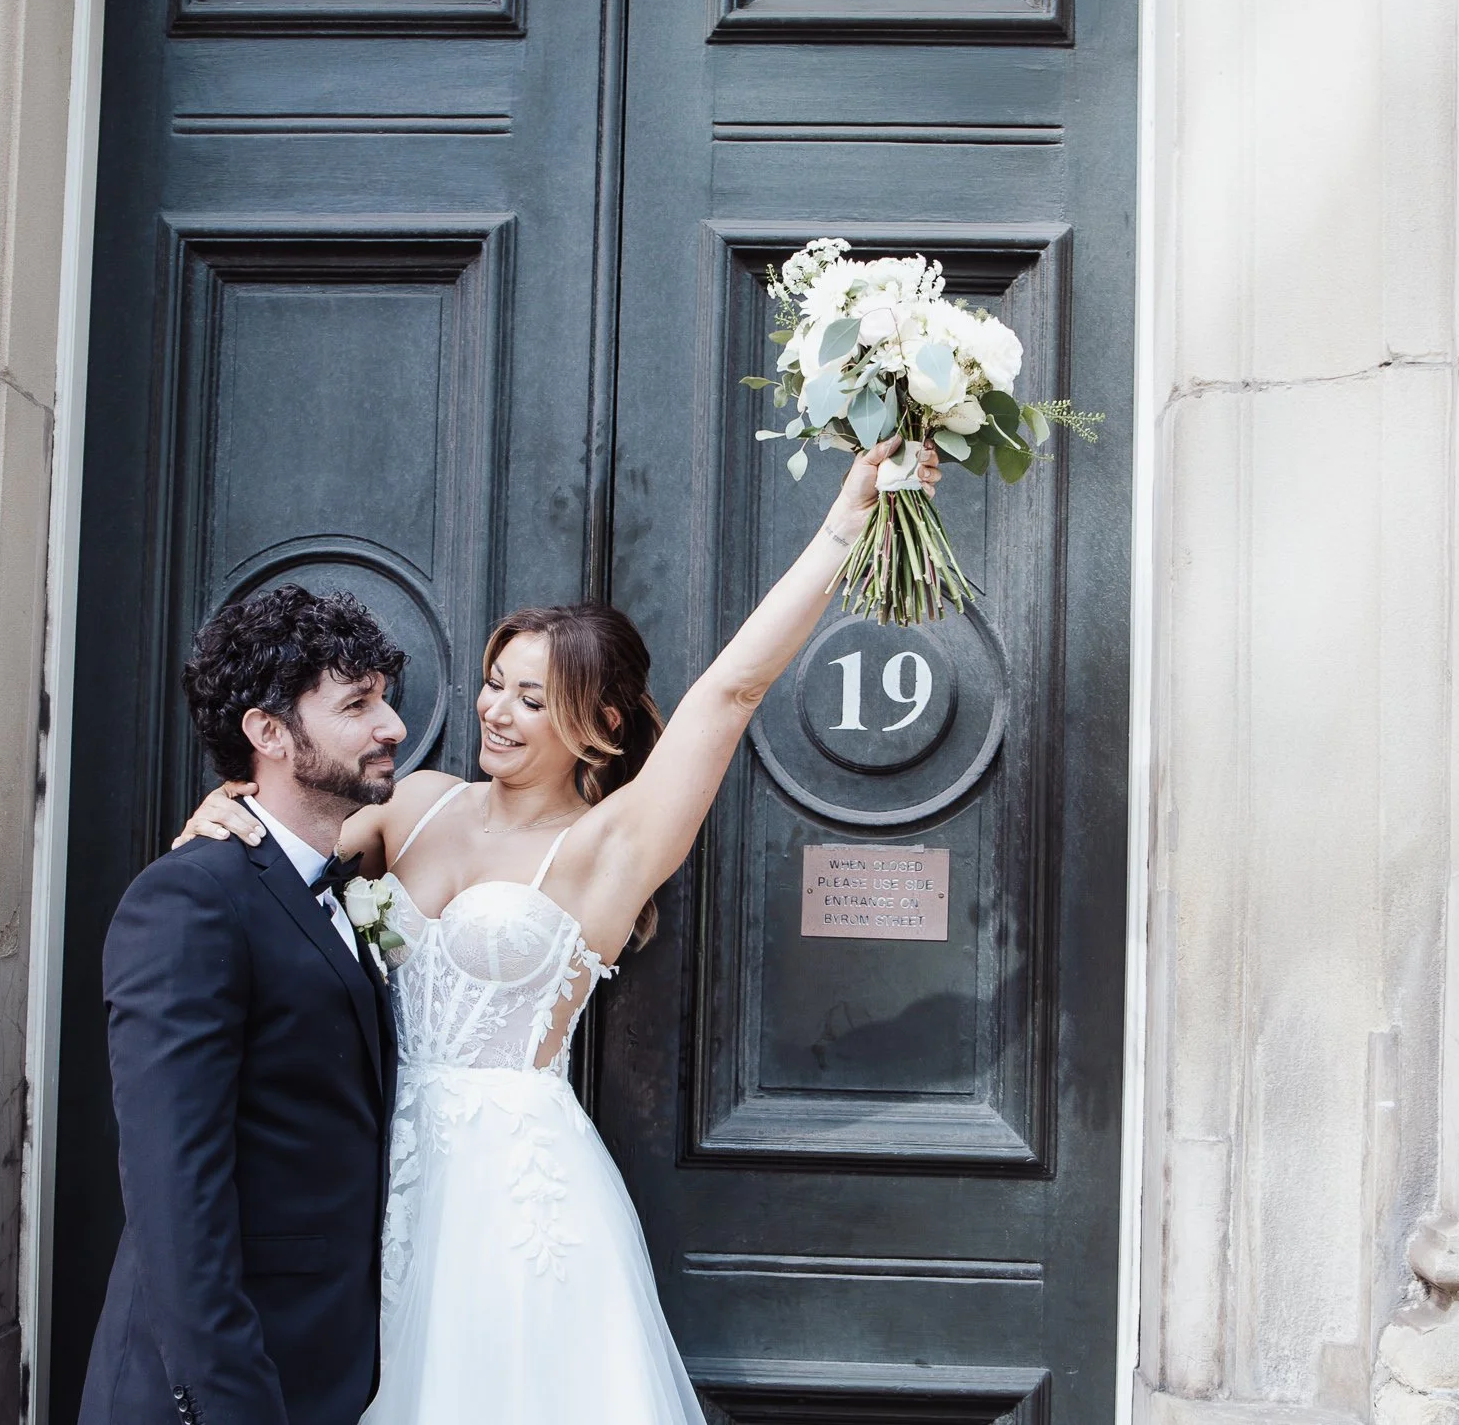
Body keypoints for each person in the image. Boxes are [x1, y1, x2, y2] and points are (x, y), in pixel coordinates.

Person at [175, 437, 939, 1423]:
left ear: (604, 725)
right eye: (496, 681)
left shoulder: (607, 848)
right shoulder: (415, 802)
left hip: (510, 1191)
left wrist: (847, 521)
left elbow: (731, 691)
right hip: (364, 1168)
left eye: (532, 697)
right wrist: (226, 807)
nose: (494, 709)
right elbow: (282, 846)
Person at [78, 586, 410, 1425]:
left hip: (329, 1366)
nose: (393, 725)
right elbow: (173, 1188)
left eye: (384, 697)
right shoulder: (190, 898)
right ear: (267, 732)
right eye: (358, 704)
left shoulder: (338, 884)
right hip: (219, 1387)